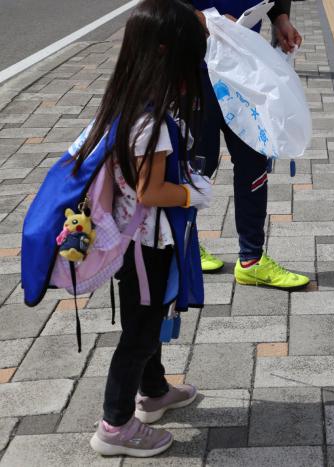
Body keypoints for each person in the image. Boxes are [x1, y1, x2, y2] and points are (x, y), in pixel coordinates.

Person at [68, 0, 209, 457]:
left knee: (147, 321)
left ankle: (153, 392)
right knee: (140, 334)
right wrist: (193, 193)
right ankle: (115, 425)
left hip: (136, 245)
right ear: (167, 57)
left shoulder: (125, 103)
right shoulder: (152, 124)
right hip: (147, 244)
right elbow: (151, 192)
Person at [188, 0, 309, 291]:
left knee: (254, 160)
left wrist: (280, 18)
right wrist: (203, 20)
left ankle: (252, 260)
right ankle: (185, 247)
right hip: (193, 68)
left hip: (243, 68)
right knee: (197, 164)